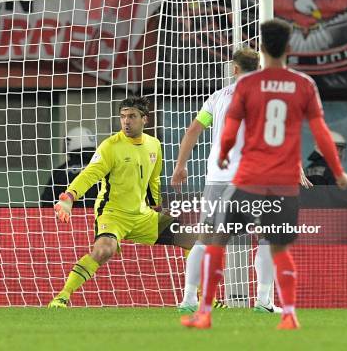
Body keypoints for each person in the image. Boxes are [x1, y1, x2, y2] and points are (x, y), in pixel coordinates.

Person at [180, 18, 347, 330]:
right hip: (275, 179)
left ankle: (200, 308)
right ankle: (280, 309)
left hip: (235, 178)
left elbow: (225, 130)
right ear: (289, 48)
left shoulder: (239, 89)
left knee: (213, 241)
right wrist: (333, 170)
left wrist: (221, 154)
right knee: (276, 243)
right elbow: (314, 132)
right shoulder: (302, 84)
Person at [172, 47, 283, 313]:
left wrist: (180, 166)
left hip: (216, 179)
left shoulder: (218, 98)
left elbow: (192, 130)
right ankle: (264, 300)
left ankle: (189, 299)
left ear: (234, 69)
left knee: (204, 239)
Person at [48, 96, 182, 308]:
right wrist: (70, 197)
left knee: (192, 236)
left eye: (132, 116)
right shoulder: (110, 146)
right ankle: (62, 296)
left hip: (141, 215)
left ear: (144, 119)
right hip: (113, 214)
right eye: (123, 117)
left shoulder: (154, 145)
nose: (126, 121)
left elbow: (153, 180)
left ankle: (204, 299)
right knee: (103, 251)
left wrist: (156, 205)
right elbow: (90, 174)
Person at [41, 127, 98, 208]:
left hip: (68, 219)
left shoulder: (60, 171)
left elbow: (47, 202)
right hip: (100, 218)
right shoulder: (103, 167)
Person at [301, 131, 347, 208]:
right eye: (337, 149)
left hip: (309, 217)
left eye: (340, 149)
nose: (340, 153)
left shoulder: (306, 170)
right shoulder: (333, 170)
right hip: (331, 217)